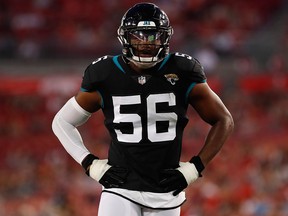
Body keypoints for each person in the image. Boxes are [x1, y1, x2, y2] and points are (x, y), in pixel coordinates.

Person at [52, 2, 234, 216]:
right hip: (120, 185)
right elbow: (62, 122)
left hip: (166, 188)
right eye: (139, 36)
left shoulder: (183, 70)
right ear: (125, 37)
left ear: (165, 37)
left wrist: (195, 168)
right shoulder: (105, 74)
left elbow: (224, 120)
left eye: (153, 36)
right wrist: (90, 163)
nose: (146, 43)